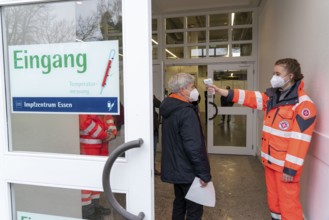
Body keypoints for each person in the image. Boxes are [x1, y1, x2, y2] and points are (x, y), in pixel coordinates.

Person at [207, 58, 317, 220]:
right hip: (270, 162)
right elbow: (250, 97)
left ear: (291, 76)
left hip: (285, 168)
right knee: (274, 203)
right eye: (274, 73)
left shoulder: (303, 104)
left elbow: (299, 140)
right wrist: (220, 91)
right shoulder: (274, 97)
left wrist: (290, 169)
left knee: (289, 205)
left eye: (278, 74)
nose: (274, 77)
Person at [160, 72, 212, 220]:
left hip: (177, 168)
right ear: (182, 90)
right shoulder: (185, 112)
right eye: (192, 87)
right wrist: (203, 173)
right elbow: (194, 147)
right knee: (194, 210)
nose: (195, 90)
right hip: (188, 170)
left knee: (180, 204)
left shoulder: (169, 108)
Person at [79, 114, 117, 219]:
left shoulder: (101, 100)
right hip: (88, 146)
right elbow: (84, 123)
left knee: (97, 177)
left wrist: (112, 133)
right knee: (88, 178)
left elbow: (109, 119)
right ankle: (86, 209)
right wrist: (104, 134)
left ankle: (94, 205)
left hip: (102, 145)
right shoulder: (85, 100)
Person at [153, 95, 162, 175]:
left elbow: (159, 104)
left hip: (154, 130)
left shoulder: (152, 99)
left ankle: (153, 168)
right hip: (149, 130)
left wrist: (153, 98)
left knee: (154, 151)